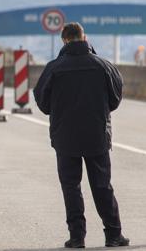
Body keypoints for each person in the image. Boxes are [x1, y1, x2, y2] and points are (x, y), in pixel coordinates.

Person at [34, 22, 128, 249]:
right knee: (102, 185)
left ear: (64, 40)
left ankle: (77, 238)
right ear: (84, 37)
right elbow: (115, 99)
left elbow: (43, 102)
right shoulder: (104, 65)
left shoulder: (53, 68)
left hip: (65, 138)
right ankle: (113, 235)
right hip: (97, 135)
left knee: (71, 187)